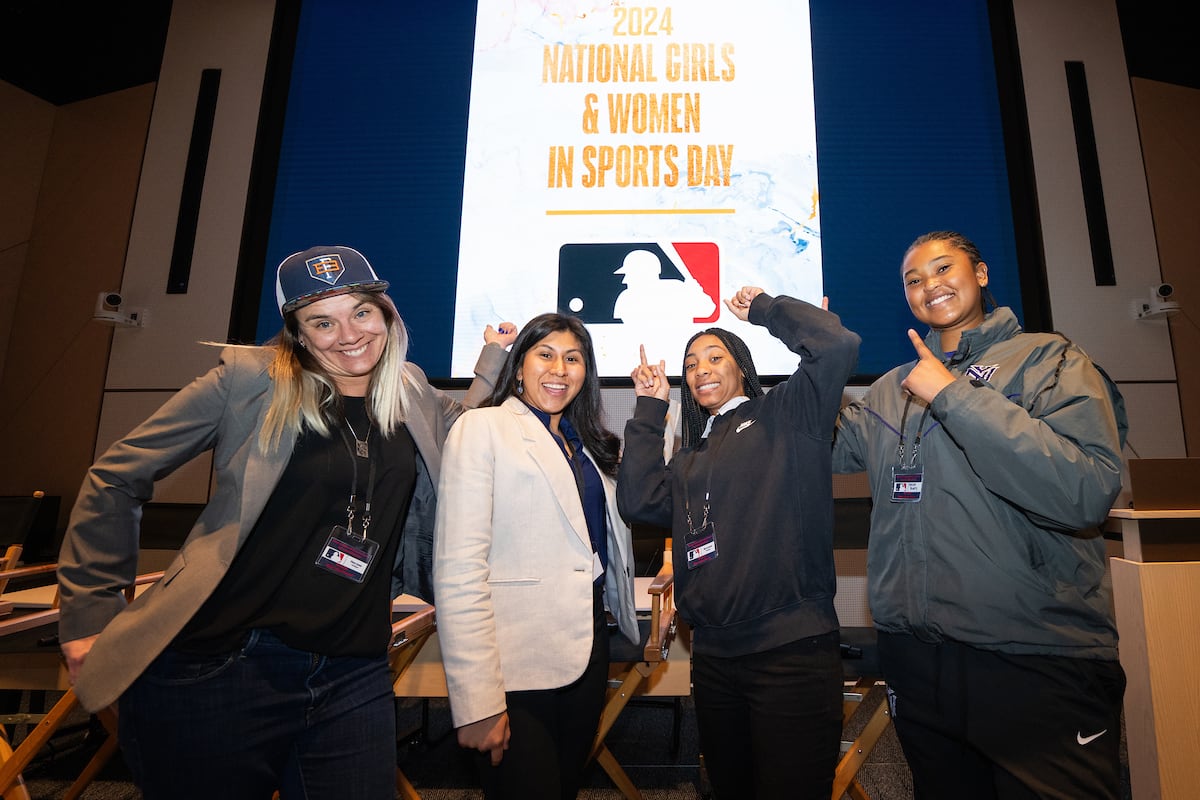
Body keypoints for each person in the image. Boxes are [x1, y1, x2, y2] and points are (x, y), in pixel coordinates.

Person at [56, 245, 517, 799]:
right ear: (297, 334)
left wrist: (492, 359)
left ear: (386, 314)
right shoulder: (246, 382)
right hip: (220, 665)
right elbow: (115, 476)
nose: (349, 334)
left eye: (362, 312)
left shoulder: (411, 390)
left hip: (353, 666)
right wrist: (88, 611)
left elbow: (461, 428)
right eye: (322, 321)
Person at [832, 231, 1127, 800]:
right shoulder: (892, 388)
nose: (929, 285)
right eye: (913, 280)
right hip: (917, 655)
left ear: (983, 274)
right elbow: (813, 450)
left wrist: (953, 396)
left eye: (944, 269)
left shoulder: (1050, 360)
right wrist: (818, 358)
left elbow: (1084, 490)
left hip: (1032, 652)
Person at [618, 286, 861, 800]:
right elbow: (638, 501)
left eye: (715, 356)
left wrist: (767, 310)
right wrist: (647, 409)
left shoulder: (789, 415)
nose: (701, 368)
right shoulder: (690, 458)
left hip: (789, 653)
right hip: (714, 659)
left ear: (742, 367)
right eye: (691, 362)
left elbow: (835, 346)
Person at [434, 313, 640, 800]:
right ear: (519, 365)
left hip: (587, 651)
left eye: (573, 358)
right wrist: (477, 701)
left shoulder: (584, 445)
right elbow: (459, 570)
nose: (560, 369)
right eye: (545, 354)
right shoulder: (482, 428)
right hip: (513, 662)